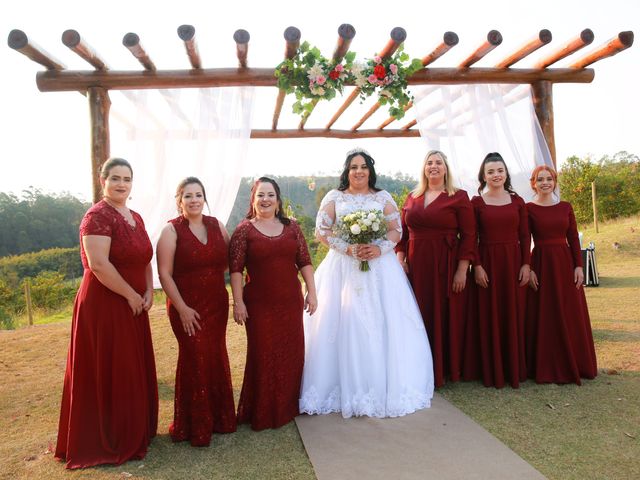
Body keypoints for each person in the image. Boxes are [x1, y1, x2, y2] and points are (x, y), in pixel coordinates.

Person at [299, 149, 433, 418]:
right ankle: (341, 385)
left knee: (381, 322)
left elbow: (397, 230)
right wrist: (347, 248)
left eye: (363, 166)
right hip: (344, 268)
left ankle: (382, 384)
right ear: (346, 172)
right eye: (353, 167)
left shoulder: (382, 197)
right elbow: (321, 232)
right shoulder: (335, 198)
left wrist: (380, 248)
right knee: (343, 322)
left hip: (380, 268)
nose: (358, 171)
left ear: (370, 170)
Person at [55, 158, 158, 469]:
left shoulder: (135, 216)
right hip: (105, 302)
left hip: (134, 302)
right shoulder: (96, 216)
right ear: (103, 181)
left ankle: (133, 428)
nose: (121, 184)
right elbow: (99, 264)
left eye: (127, 178)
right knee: (113, 365)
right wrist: (130, 295)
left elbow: (144, 258)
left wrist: (149, 291)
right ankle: (110, 436)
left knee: (128, 364)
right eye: (115, 178)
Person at [229, 177, 317, 430]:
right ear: (253, 200)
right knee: (263, 354)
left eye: (270, 195)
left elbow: (305, 261)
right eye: (260, 195)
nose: (265, 199)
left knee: (292, 352)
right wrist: (238, 303)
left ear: (278, 201)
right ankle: (263, 410)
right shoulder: (244, 230)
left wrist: (312, 292)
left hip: (290, 301)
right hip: (258, 305)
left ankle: (287, 407)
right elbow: (236, 270)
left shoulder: (292, 228)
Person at [156, 177, 236, 446]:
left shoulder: (217, 226)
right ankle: (192, 424)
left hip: (216, 304)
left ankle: (220, 419)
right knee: (194, 357)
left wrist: (208, 275)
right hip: (185, 307)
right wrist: (182, 308)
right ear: (179, 200)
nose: (194, 200)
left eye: (198, 195)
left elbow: (228, 263)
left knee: (214, 355)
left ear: (204, 198)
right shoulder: (171, 231)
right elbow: (164, 274)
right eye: (187, 195)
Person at [396, 150, 475, 388]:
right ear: (423, 168)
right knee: (418, 312)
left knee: (445, 313)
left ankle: (447, 368)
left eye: (438, 163)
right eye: (429, 163)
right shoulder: (412, 197)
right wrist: (400, 259)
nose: (434, 166)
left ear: (446, 168)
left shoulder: (459, 197)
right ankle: (419, 366)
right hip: (416, 265)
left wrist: (462, 269)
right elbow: (402, 234)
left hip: (446, 264)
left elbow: (470, 236)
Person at [526, 165, 597, 384]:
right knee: (545, 313)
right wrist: (528, 268)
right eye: (540, 179)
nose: (545, 182)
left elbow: (573, 238)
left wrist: (578, 266)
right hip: (541, 262)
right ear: (534, 183)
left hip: (565, 263)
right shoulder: (528, 208)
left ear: (555, 182)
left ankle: (575, 361)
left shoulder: (566, 207)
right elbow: (524, 240)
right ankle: (545, 364)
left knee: (569, 312)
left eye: (549, 179)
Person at [467, 152, 530, 388]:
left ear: (506, 173)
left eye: (500, 170)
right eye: (491, 171)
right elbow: (472, 237)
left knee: (513, 313)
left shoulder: (517, 201)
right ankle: (492, 370)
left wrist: (526, 264)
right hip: (488, 263)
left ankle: (515, 367)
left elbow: (525, 236)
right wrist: (478, 266)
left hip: (513, 263)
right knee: (489, 314)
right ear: (483, 176)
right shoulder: (476, 203)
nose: (496, 175)